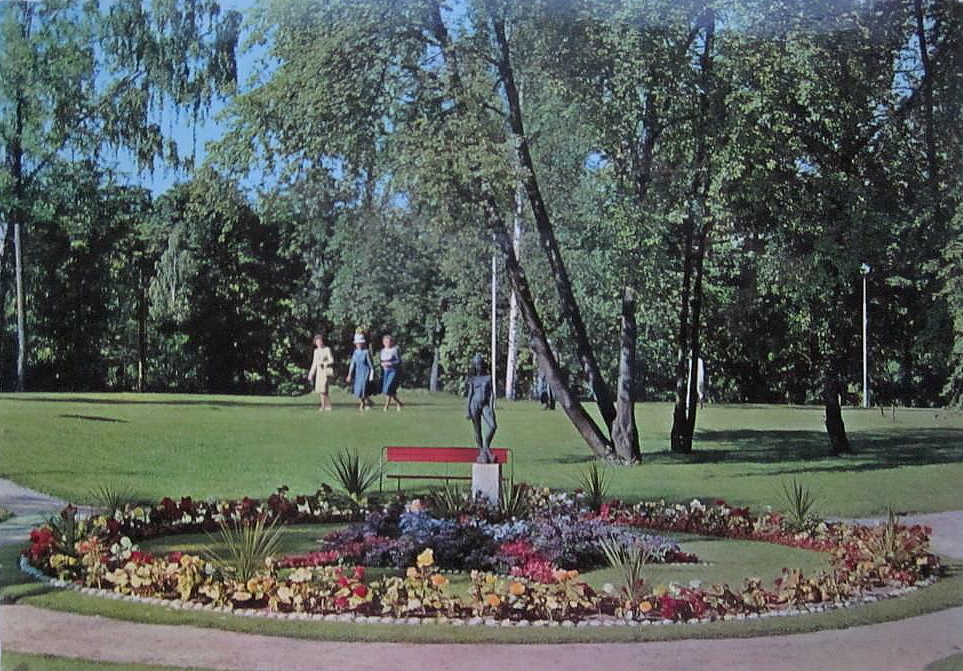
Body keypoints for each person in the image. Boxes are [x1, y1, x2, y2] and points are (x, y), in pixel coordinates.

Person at [466, 354, 497, 464]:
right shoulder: (473, 379)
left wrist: (492, 408)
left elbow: (492, 394)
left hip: (485, 405)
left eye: (480, 364)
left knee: (493, 426)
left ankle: (486, 446)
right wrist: (467, 410)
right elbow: (470, 394)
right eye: (476, 364)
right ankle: (482, 452)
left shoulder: (488, 378)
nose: (478, 366)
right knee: (477, 429)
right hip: (474, 405)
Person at [346, 333, 374, 411]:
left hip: (365, 372)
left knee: (363, 388)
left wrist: (372, 373)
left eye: (360, 343)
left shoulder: (366, 352)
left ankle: (362, 405)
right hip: (358, 372)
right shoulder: (355, 353)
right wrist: (349, 374)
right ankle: (368, 402)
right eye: (357, 344)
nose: (359, 345)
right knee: (358, 389)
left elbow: (370, 364)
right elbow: (352, 364)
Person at [307, 334, 334, 411]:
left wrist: (325, 363)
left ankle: (326, 405)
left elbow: (331, 360)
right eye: (317, 342)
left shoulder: (327, 349)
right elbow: (314, 363)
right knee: (320, 390)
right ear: (315, 343)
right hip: (319, 372)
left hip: (325, 371)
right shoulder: (316, 351)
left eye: (320, 341)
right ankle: (324, 405)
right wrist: (311, 373)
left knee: (324, 389)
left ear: (322, 341)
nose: (318, 343)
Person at [379, 334, 404, 411]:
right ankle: (399, 403)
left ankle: (386, 406)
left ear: (391, 342)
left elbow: (399, 361)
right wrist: (382, 364)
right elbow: (382, 360)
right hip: (386, 371)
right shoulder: (383, 350)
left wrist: (391, 363)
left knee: (388, 388)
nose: (386, 343)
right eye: (385, 341)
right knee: (388, 390)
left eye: (388, 341)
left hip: (393, 371)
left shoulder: (395, 350)